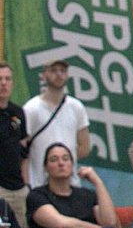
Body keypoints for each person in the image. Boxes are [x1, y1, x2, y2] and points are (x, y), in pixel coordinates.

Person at [22, 55, 89, 184]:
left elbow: (84, 147)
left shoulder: (76, 107)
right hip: (39, 184)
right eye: (53, 70)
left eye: (63, 71)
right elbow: (22, 149)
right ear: (43, 75)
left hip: (70, 184)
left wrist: (63, 163)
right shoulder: (31, 109)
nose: (58, 74)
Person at [0, 62, 26, 228]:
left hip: (19, 188)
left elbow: (24, 150)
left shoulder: (18, 112)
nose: (3, 83)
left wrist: (26, 184)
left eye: (7, 79)